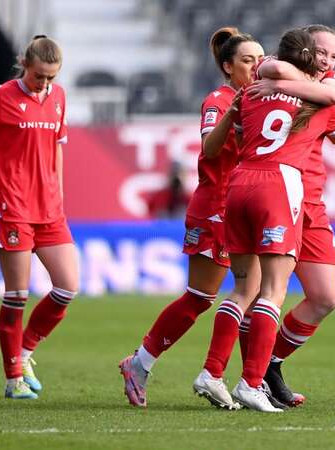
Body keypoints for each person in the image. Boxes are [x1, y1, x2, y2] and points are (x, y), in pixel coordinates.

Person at [194, 28, 335, 413]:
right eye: (322, 54)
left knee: (271, 291)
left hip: (243, 183)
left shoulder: (250, 93)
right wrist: (310, 86)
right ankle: (253, 380)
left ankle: (226, 371)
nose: (328, 62)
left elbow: (238, 130)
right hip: (283, 188)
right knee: (270, 292)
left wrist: (278, 82)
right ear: (308, 56)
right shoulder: (321, 102)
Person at [118, 27, 264, 408]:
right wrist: (233, 113)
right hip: (217, 207)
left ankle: (250, 378)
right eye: (248, 60)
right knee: (203, 297)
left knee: (258, 293)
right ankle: (143, 363)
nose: (257, 65)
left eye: (261, 58)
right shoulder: (219, 100)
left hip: (247, 206)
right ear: (228, 66)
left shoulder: (261, 101)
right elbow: (209, 147)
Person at [244, 24, 335, 407]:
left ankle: (270, 363)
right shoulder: (273, 66)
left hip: (311, 201)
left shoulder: (323, 86)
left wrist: (287, 87)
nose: (327, 61)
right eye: (321, 52)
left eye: (333, 56)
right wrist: (289, 83)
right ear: (304, 49)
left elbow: (334, 96)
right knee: (259, 292)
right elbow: (274, 69)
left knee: (324, 297)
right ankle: (242, 376)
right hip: (275, 191)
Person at [0, 35, 78, 400]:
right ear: (24, 64)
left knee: (67, 288)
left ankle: (25, 351)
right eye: (39, 76)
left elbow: (57, 151)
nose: (45, 83)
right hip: (13, 208)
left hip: (50, 210)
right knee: (17, 294)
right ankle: (12, 377)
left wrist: (59, 193)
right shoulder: (1, 97)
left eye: (51, 77)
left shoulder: (59, 98)